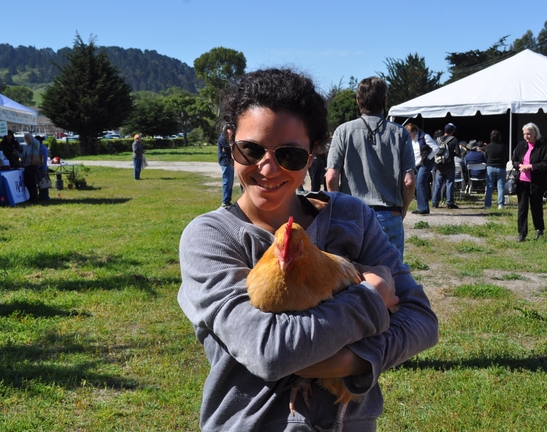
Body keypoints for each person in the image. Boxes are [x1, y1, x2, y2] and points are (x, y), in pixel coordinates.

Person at [178, 68, 438, 432]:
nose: (267, 168)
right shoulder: (211, 238)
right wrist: (370, 299)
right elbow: (269, 351)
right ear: (229, 141)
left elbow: (423, 321)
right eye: (250, 149)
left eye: (290, 155)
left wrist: (349, 360)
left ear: (313, 153)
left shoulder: (352, 217)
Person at [326, 76, 415, 258]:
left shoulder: (343, 131)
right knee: (391, 276)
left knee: (354, 277)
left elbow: (331, 177)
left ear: (358, 101)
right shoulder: (400, 134)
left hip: (352, 215)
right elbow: (409, 181)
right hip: (388, 214)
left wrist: (337, 208)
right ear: (385, 101)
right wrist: (402, 210)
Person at [512, 122, 547, 242]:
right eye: (524, 134)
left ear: (535, 133)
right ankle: (522, 233)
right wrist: (519, 165)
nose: (526, 137)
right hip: (522, 182)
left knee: (536, 207)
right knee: (522, 208)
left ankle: (539, 229)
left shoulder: (542, 147)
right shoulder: (521, 146)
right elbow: (514, 160)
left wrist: (531, 167)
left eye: (529, 134)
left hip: (536, 182)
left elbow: (545, 164)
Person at [406, 123, 438, 215]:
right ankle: (421, 207)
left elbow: (436, 148)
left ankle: (423, 208)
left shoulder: (425, 137)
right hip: (415, 164)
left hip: (425, 164)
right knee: (417, 184)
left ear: (414, 131)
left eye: (409, 133)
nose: (408, 136)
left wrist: (428, 157)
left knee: (420, 182)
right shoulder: (410, 140)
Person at [432, 123, 460, 209]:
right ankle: (450, 203)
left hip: (439, 165)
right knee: (449, 184)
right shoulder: (454, 140)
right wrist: (452, 153)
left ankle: (435, 202)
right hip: (449, 165)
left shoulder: (438, 139)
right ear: (452, 131)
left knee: (438, 184)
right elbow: (458, 153)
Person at [484, 130, 509, 209]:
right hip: (501, 167)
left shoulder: (488, 146)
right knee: (500, 187)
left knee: (489, 187)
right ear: (500, 137)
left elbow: (486, 156)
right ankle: (500, 204)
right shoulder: (504, 146)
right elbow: (506, 156)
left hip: (490, 167)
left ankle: (487, 205)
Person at [21, 133, 40, 202]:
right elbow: (22, 156)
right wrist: (17, 153)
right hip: (26, 166)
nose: (27, 139)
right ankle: (31, 196)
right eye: (26, 138)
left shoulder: (35, 145)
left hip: (33, 165)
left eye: (28, 138)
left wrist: (32, 138)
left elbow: (37, 142)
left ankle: (35, 197)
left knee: (32, 182)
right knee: (27, 182)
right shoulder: (26, 147)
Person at [218, 124, 234, 206]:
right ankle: (225, 201)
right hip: (225, 162)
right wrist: (231, 146)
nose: (231, 131)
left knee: (230, 182)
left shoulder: (230, 139)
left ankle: (228, 200)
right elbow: (229, 149)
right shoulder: (223, 139)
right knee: (227, 182)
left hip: (231, 162)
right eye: (229, 129)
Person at [36, 136, 50, 202]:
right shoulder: (37, 148)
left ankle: (45, 196)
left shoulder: (43, 148)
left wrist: (44, 170)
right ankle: (41, 196)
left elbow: (45, 160)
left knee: (44, 183)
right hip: (38, 168)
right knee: (40, 183)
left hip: (42, 168)